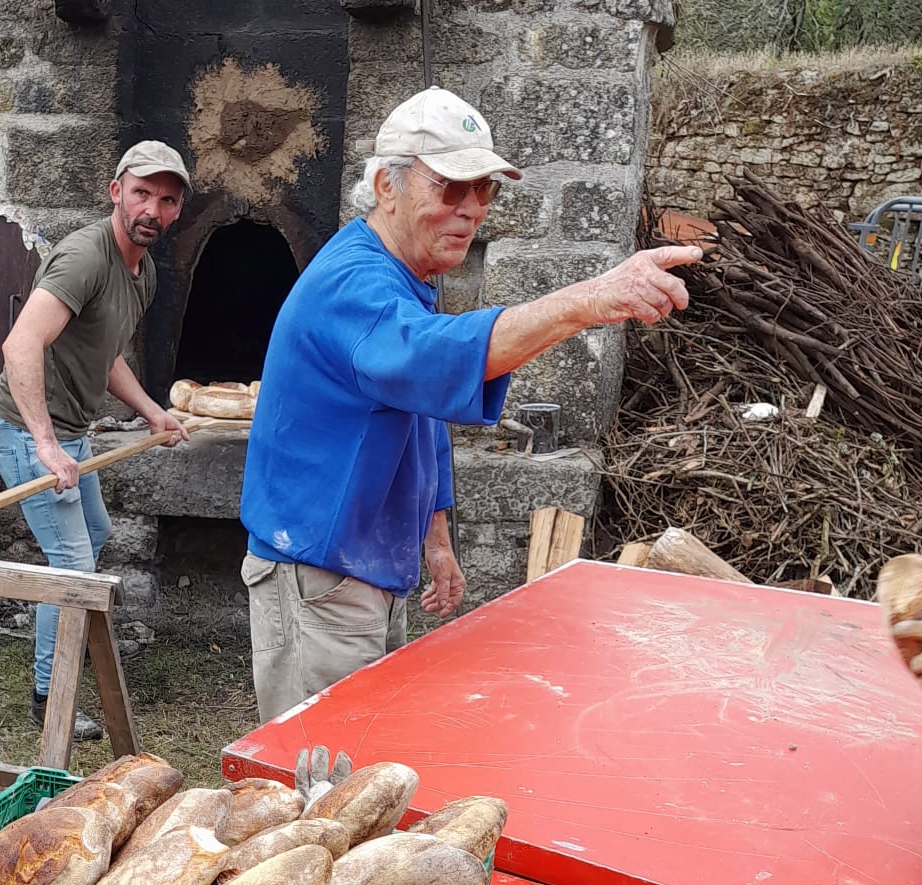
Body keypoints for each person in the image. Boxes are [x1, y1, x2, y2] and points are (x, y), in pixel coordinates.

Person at [239, 87, 702, 722]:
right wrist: (591, 300)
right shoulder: (354, 283)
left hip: (360, 567)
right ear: (386, 186)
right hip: (318, 576)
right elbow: (434, 357)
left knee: (361, 763)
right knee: (314, 783)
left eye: (485, 189)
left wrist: (436, 539)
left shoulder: (407, 277)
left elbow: (420, 414)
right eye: (452, 187)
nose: (473, 208)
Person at [0, 141, 192, 740]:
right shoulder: (83, 258)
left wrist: (154, 413)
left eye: (167, 200)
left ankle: (62, 665)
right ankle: (50, 697)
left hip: (70, 431)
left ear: (177, 210)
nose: (152, 209)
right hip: (29, 430)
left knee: (94, 536)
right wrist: (45, 445)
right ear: (116, 193)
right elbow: (20, 345)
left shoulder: (143, 272)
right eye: (142, 194)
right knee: (73, 564)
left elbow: (107, 358)